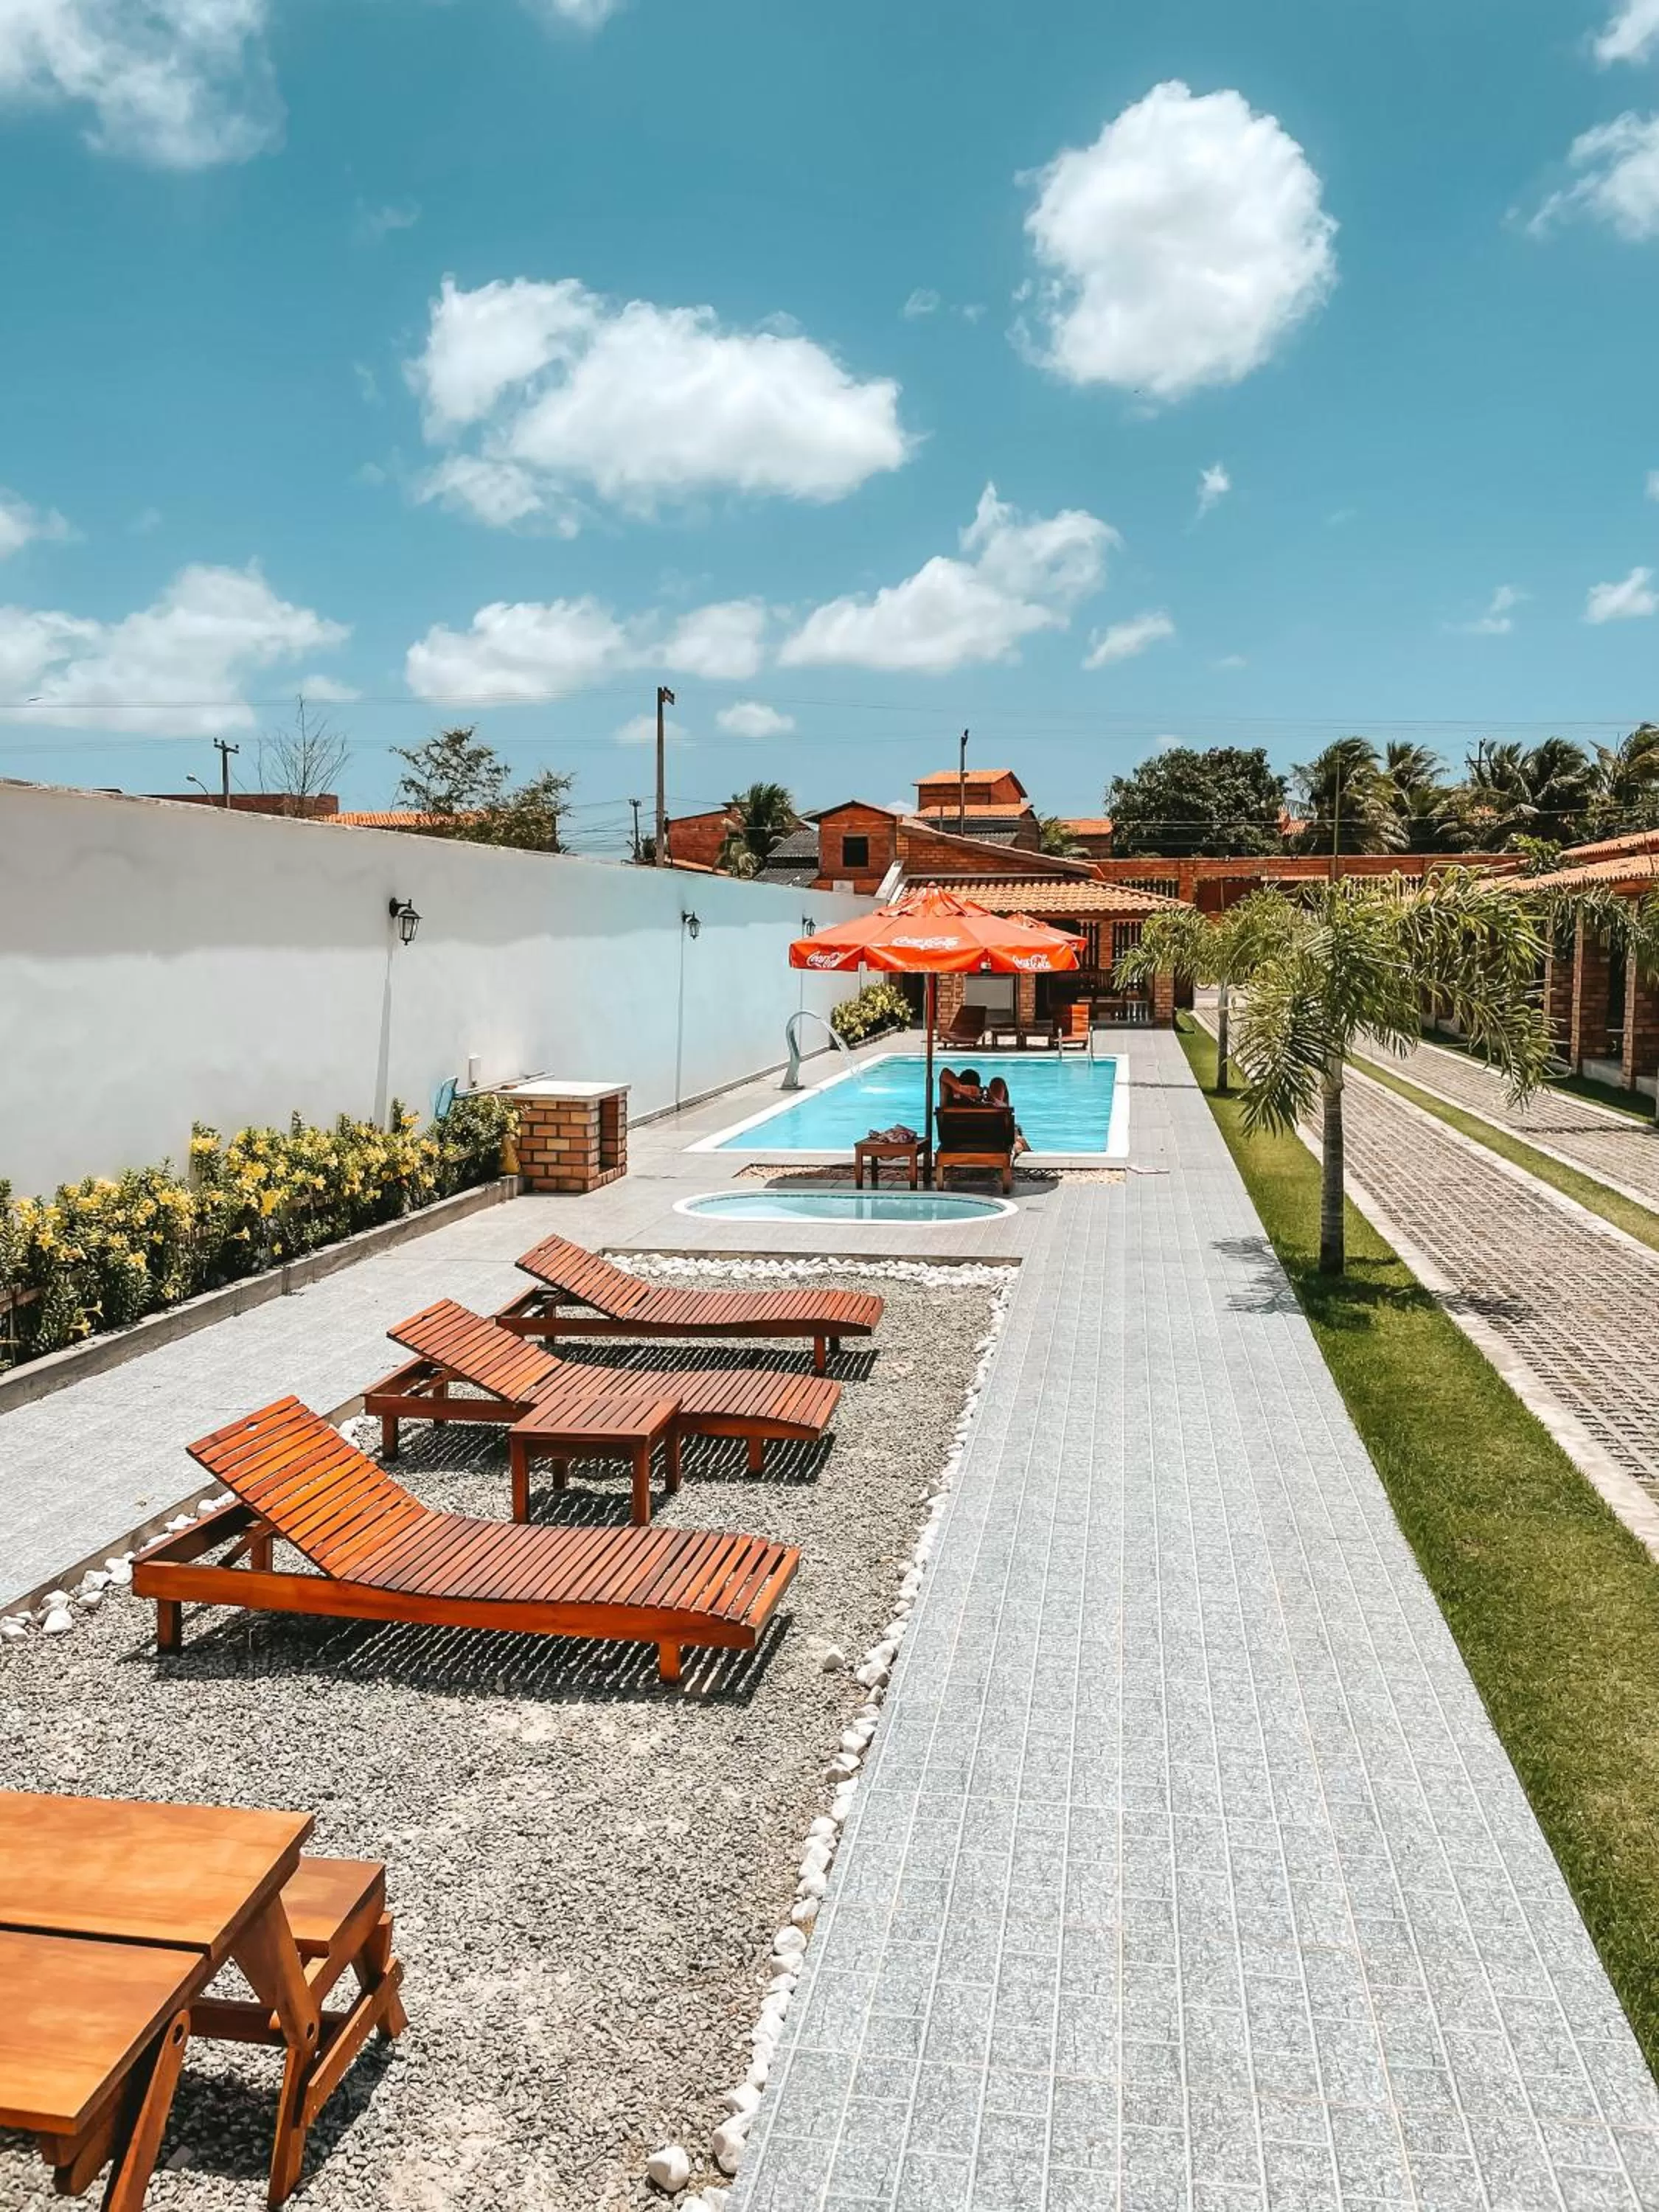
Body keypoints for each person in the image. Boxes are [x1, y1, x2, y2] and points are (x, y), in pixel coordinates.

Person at [985, 1075, 1031, 1158]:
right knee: (1020, 1141)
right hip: (999, 1146)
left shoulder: (976, 1107)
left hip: (983, 1144)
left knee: (1018, 1140)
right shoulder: (990, 1109)